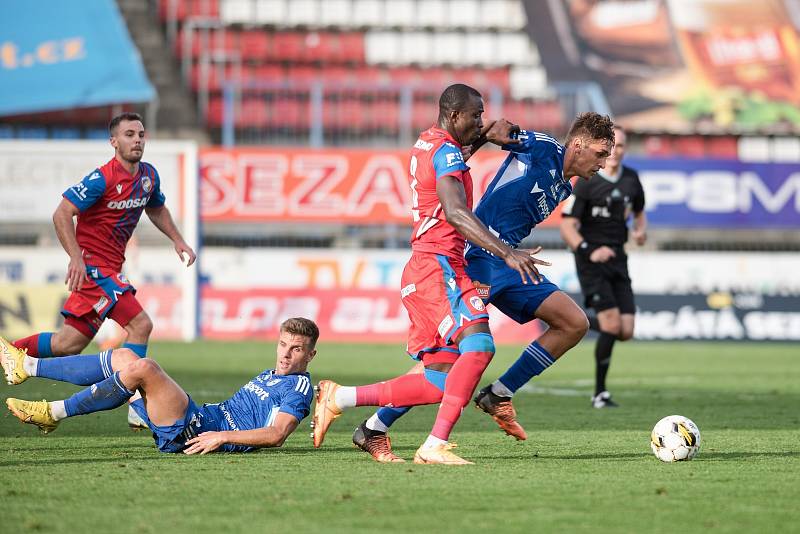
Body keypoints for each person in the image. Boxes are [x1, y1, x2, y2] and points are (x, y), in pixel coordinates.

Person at [312, 112, 616, 463]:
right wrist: (486, 140)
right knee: (451, 360)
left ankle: (498, 394)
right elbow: (498, 129)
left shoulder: (568, 182)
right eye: (600, 152)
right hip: (482, 258)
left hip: (510, 261)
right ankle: (376, 426)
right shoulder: (545, 149)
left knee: (573, 322)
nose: (603, 161)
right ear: (577, 145)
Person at [8, 112, 196, 429]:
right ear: (114, 142)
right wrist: (76, 258)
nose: (137, 140)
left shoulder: (148, 175)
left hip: (108, 268)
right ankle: (138, 405)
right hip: (95, 269)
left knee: (68, 344)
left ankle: (10, 355)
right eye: (129, 134)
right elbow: (62, 213)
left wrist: (178, 240)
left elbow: (156, 207)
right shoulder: (102, 178)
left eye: (140, 134)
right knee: (140, 324)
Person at [2, 318, 318, 454]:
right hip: (196, 418)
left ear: (310, 354)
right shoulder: (270, 374)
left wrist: (223, 436)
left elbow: (277, 434)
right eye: (282, 345)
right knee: (124, 355)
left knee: (146, 368)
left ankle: (52, 412)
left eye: (297, 349)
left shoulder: (299, 388)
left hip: (194, 432)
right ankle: (28, 366)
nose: (286, 354)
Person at [560, 125, 647, 408]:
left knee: (626, 330)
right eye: (612, 147)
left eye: (621, 146)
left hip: (619, 260)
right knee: (611, 324)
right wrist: (590, 250)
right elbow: (568, 226)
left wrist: (639, 230)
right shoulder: (587, 181)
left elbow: (639, 210)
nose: (615, 152)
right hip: (591, 262)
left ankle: (578, 320)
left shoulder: (632, 179)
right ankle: (600, 393)